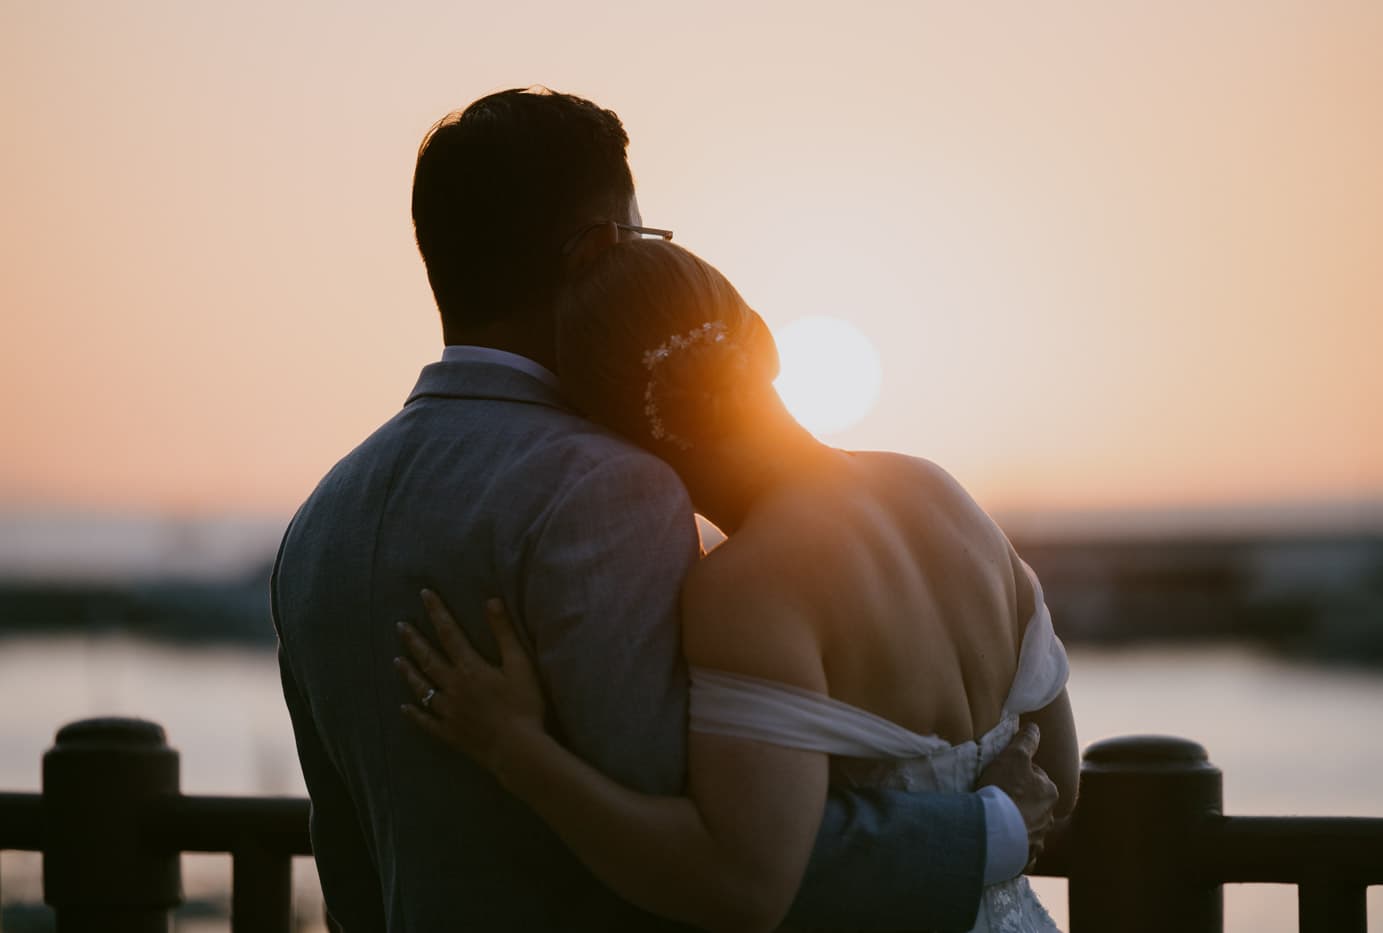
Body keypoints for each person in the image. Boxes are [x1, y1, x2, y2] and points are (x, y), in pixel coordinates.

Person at [271, 86, 1058, 932]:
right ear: (599, 253)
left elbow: (348, 860)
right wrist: (988, 826)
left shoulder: (319, 523)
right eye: (644, 239)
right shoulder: (607, 487)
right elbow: (727, 850)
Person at [392, 240, 1079, 932]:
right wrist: (993, 823)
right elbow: (1059, 776)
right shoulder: (939, 491)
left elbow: (740, 885)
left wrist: (518, 749)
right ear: (763, 343)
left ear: (616, 436)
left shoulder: (748, 588)